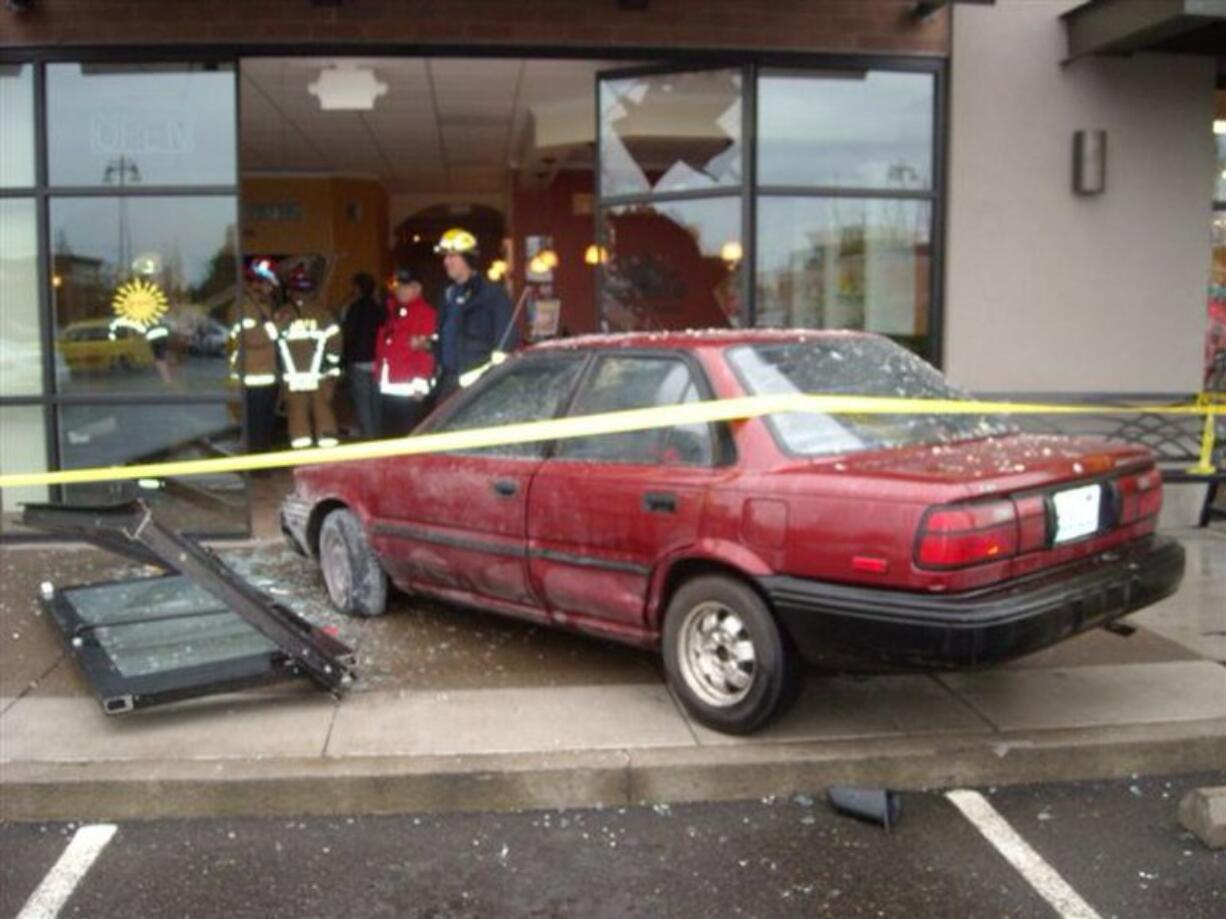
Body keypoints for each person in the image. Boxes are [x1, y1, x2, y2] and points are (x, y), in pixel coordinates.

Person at [434, 227, 519, 401]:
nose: (446, 261)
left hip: (481, 385)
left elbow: (506, 341)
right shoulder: (448, 294)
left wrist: (489, 375)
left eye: (452, 256)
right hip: (450, 381)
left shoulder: (492, 294)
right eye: (445, 256)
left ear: (468, 259)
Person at [276, 260, 342, 449]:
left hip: (292, 378)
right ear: (312, 291)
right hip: (320, 376)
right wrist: (331, 369)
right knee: (323, 410)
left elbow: (272, 345)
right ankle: (328, 451)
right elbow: (335, 345)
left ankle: (302, 453)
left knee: (297, 414)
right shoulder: (324, 315)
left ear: (290, 292)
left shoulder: (281, 315)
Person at [228, 259, 282, 453]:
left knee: (264, 425)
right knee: (257, 426)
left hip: (265, 373)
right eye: (269, 284)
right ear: (258, 283)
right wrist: (278, 330)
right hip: (253, 377)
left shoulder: (262, 305)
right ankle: (258, 467)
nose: (271, 288)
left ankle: (261, 459)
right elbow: (251, 339)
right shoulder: (244, 307)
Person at [375, 267, 437, 436]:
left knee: (408, 436)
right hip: (388, 386)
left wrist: (420, 383)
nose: (400, 290)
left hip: (409, 390)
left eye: (406, 286)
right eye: (399, 285)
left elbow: (427, 352)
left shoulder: (426, 314)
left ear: (417, 288)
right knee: (389, 438)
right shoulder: (392, 311)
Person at [340, 271, 384, 438]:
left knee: (362, 403)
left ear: (357, 288)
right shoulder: (378, 308)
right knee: (376, 402)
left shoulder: (352, 308)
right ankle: (377, 434)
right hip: (377, 360)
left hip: (358, 360)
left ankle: (369, 436)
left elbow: (347, 334)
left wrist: (343, 361)